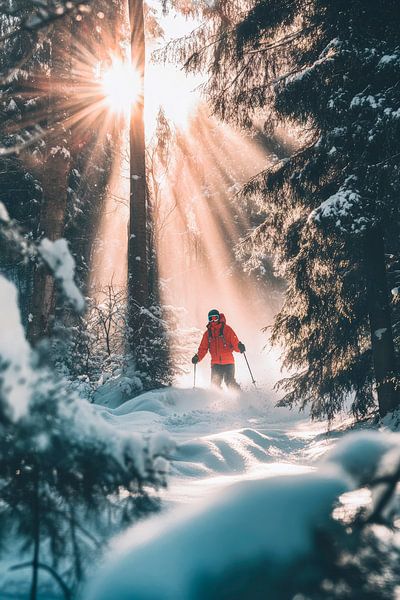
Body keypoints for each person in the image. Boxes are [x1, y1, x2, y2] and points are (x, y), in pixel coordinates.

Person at [192, 309, 246, 390]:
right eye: (211, 318)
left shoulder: (227, 329)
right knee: (215, 385)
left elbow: (235, 343)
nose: (213, 320)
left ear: (219, 318)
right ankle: (219, 401)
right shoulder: (207, 334)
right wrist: (198, 357)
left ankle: (240, 397)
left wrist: (239, 347)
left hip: (228, 363)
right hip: (216, 364)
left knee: (230, 382)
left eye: (215, 318)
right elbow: (203, 348)